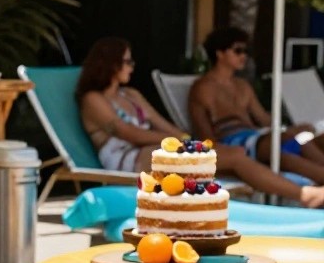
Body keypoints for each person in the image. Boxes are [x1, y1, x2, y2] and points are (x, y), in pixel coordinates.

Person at [189, 26, 324, 205]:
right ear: (220, 53)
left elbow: (263, 119)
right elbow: (205, 135)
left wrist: (292, 129)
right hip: (232, 142)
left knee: (298, 142)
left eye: (246, 51)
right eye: (238, 50)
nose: (243, 55)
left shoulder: (243, 86)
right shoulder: (203, 88)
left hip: (257, 137)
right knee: (280, 145)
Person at [77, 37, 186, 173]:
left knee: (209, 153)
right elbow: (129, 133)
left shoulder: (130, 94)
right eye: (128, 62)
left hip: (149, 151)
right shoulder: (93, 99)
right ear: (112, 63)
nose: (132, 67)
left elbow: (160, 122)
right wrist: (175, 140)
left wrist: (187, 139)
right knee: (194, 157)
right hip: (123, 160)